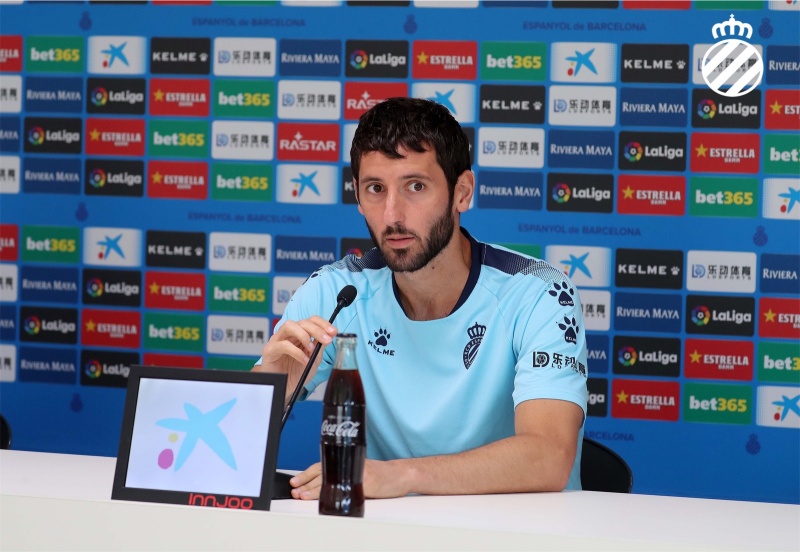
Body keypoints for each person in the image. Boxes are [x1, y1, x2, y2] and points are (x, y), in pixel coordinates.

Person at [254, 97, 588, 500]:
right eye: (376, 189)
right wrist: (273, 387)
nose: (392, 214)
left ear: (462, 192)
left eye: (415, 186)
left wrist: (402, 476)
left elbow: (549, 456)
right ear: (357, 196)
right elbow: (228, 452)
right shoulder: (336, 292)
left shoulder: (537, 292)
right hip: (385, 528)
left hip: (515, 529)